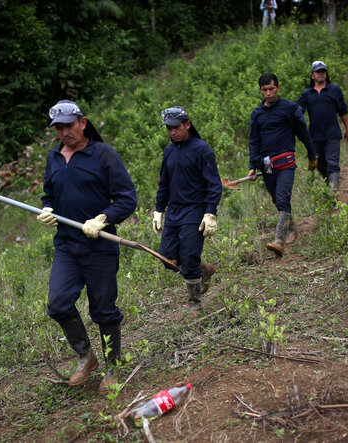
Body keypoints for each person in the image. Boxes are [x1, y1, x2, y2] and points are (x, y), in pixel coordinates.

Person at [36, 100, 137, 394]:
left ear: (82, 122)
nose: (64, 132)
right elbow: (48, 194)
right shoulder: (54, 157)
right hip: (67, 245)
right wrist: (48, 209)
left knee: (103, 309)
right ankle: (85, 356)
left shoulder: (103, 155)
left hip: (99, 246)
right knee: (58, 304)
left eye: (69, 125)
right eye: (59, 128)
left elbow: (127, 198)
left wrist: (104, 218)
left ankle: (113, 366)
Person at [152, 106, 222, 311]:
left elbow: (214, 184)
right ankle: (203, 269)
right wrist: (158, 210)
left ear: (187, 125)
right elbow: (163, 183)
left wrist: (210, 213)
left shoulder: (202, 150)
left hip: (195, 210)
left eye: (176, 127)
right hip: (174, 211)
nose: (172, 132)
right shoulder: (169, 151)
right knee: (166, 258)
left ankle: (194, 304)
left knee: (189, 255)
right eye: (169, 128)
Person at [248, 73, 316, 257]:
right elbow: (254, 141)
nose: (268, 93)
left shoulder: (290, 108)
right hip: (267, 166)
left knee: (283, 196)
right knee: (277, 200)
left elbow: (303, 132)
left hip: (286, 163)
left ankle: (279, 240)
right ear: (260, 90)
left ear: (278, 87)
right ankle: (292, 229)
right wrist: (252, 166)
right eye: (264, 90)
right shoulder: (257, 114)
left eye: (271, 89)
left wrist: (312, 154)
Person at [297, 61, 348, 194]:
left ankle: (332, 195)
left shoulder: (334, 90)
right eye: (318, 72)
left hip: (332, 133)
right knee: (320, 165)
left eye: (323, 72)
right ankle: (330, 185)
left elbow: (342, 110)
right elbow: (299, 110)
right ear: (312, 75)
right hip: (315, 136)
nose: (321, 74)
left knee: (332, 163)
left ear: (326, 74)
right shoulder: (307, 94)